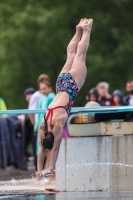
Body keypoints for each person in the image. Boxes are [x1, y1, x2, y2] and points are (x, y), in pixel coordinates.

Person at [37, 18, 93, 177]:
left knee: (80, 55)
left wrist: (50, 168)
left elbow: (54, 148)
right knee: (70, 55)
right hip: (61, 83)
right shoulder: (43, 124)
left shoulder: (58, 123)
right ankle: (78, 31)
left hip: (71, 86)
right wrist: (41, 169)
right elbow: (41, 150)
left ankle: (87, 29)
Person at [28, 74, 50, 169]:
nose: (43, 82)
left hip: (47, 125)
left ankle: (45, 172)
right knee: (39, 149)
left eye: (45, 80)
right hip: (39, 125)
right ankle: (39, 172)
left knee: (46, 149)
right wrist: (35, 125)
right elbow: (31, 112)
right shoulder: (36, 96)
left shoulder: (48, 96)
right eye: (42, 80)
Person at [23, 88, 36, 161]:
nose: (29, 96)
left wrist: (35, 126)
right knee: (25, 142)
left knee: (34, 145)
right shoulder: (30, 105)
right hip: (29, 127)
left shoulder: (37, 104)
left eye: (31, 94)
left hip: (34, 127)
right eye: (27, 95)